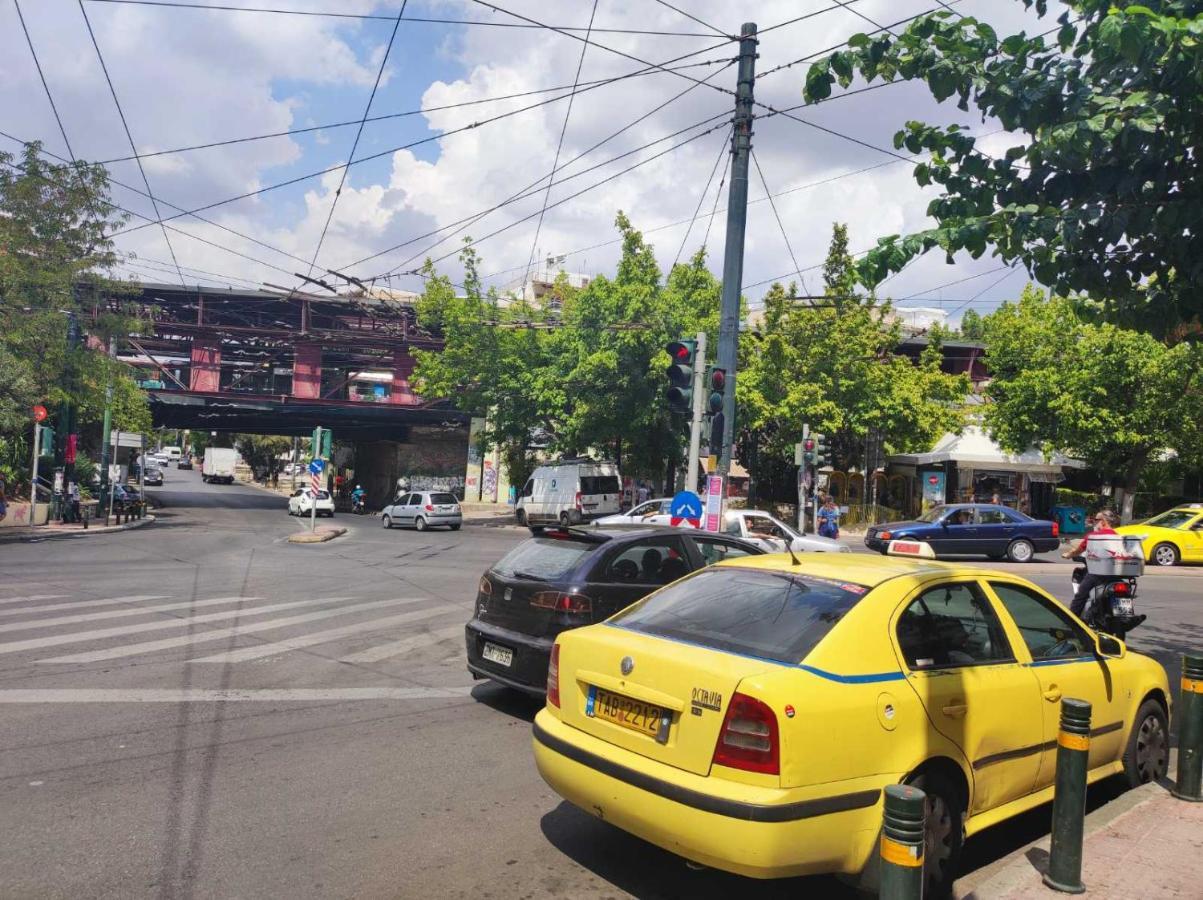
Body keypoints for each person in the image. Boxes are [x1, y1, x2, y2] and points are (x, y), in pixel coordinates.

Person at [1062, 508, 1119, 616]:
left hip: (1098, 573)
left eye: (1096, 520)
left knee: (1080, 595)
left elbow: (1079, 550)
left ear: (1103, 521)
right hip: (1115, 573)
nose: (1094, 522)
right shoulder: (1116, 536)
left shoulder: (1094, 536)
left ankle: (1072, 622)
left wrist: (1068, 555)